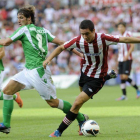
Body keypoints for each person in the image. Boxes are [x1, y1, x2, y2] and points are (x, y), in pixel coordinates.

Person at [0, 5, 89, 135]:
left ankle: (81, 118)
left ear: (29, 18)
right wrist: (79, 54)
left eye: (21, 18)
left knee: (53, 102)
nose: (19, 21)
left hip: (38, 71)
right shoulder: (43, 31)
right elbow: (62, 43)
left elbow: (6, 42)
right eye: (18, 18)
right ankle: (6, 125)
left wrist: (80, 54)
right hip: (27, 71)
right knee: (7, 90)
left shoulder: (23, 29)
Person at [43, 19, 140, 137]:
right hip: (84, 74)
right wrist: (48, 60)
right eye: (82, 34)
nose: (84, 37)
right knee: (79, 104)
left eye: (87, 34)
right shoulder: (78, 40)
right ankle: (82, 118)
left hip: (97, 79)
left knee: (77, 103)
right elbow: (61, 47)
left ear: (94, 30)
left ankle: (59, 131)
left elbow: (124, 39)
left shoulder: (103, 38)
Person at [116, 22, 140, 101]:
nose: (120, 28)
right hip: (120, 59)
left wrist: (127, 55)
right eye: (119, 27)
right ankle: (124, 95)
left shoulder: (128, 34)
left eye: (122, 27)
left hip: (128, 58)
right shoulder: (118, 36)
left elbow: (132, 46)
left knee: (125, 76)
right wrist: (118, 58)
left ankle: (138, 89)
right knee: (121, 77)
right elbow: (120, 49)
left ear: (124, 27)